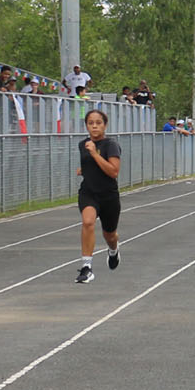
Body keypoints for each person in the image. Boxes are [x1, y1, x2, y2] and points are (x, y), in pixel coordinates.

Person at [73, 108, 122, 285]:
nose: (94, 126)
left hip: (108, 196)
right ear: (86, 126)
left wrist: (94, 153)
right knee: (87, 222)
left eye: (98, 123)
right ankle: (87, 268)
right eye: (90, 123)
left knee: (110, 234)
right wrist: (84, 170)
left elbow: (113, 171)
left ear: (105, 125)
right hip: (89, 193)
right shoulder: (82, 144)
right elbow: (89, 167)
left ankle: (114, 250)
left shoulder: (111, 145)